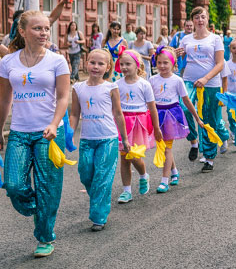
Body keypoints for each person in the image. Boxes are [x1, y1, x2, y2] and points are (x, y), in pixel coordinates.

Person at [0, 11, 70, 257]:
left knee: (48, 186)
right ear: (22, 31)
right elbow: (4, 100)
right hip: (19, 133)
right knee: (14, 185)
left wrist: (55, 124)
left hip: (48, 133)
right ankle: (41, 207)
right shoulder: (8, 62)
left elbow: (63, 97)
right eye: (37, 28)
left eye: (46, 28)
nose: (44, 33)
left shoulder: (57, 61)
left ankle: (45, 238)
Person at [70, 49, 129, 231]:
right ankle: (100, 198)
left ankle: (99, 217)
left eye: (100, 64)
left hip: (108, 139)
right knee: (86, 173)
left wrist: (124, 139)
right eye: (92, 62)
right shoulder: (78, 87)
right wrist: (69, 135)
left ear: (108, 67)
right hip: (87, 139)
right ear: (86, 63)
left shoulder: (111, 87)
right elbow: (74, 114)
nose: (95, 67)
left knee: (102, 177)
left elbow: (118, 114)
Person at [176, 7, 228, 171]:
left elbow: (220, 64)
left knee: (208, 119)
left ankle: (209, 158)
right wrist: (178, 54)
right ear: (192, 20)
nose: (200, 20)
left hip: (210, 83)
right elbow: (180, 59)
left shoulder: (215, 39)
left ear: (207, 20)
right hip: (190, 81)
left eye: (203, 17)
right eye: (196, 17)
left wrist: (206, 78)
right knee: (183, 109)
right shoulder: (186, 39)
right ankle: (193, 141)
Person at [149, 46, 201, 192]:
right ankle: (174, 172)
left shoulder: (177, 80)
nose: (162, 66)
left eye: (166, 63)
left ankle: (164, 181)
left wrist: (197, 119)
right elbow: (149, 101)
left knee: (167, 147)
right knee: (162, 145)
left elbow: (186, 101)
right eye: (159, 62)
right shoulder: (152, 80)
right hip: (157, 115)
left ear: (173, 63)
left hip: (171, 115)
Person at [115, 49, 162, 203]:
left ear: (137, 65)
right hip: (123, 122)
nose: (124, 67)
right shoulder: (116, 85)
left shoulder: (144, 84)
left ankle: (143, 175)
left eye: (128, 64)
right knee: (124, 158)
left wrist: (156, 127)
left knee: (134, 155)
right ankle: (126, 191)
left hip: (138, 122)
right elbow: (113, 108)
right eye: (122, 64)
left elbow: (152, 107)